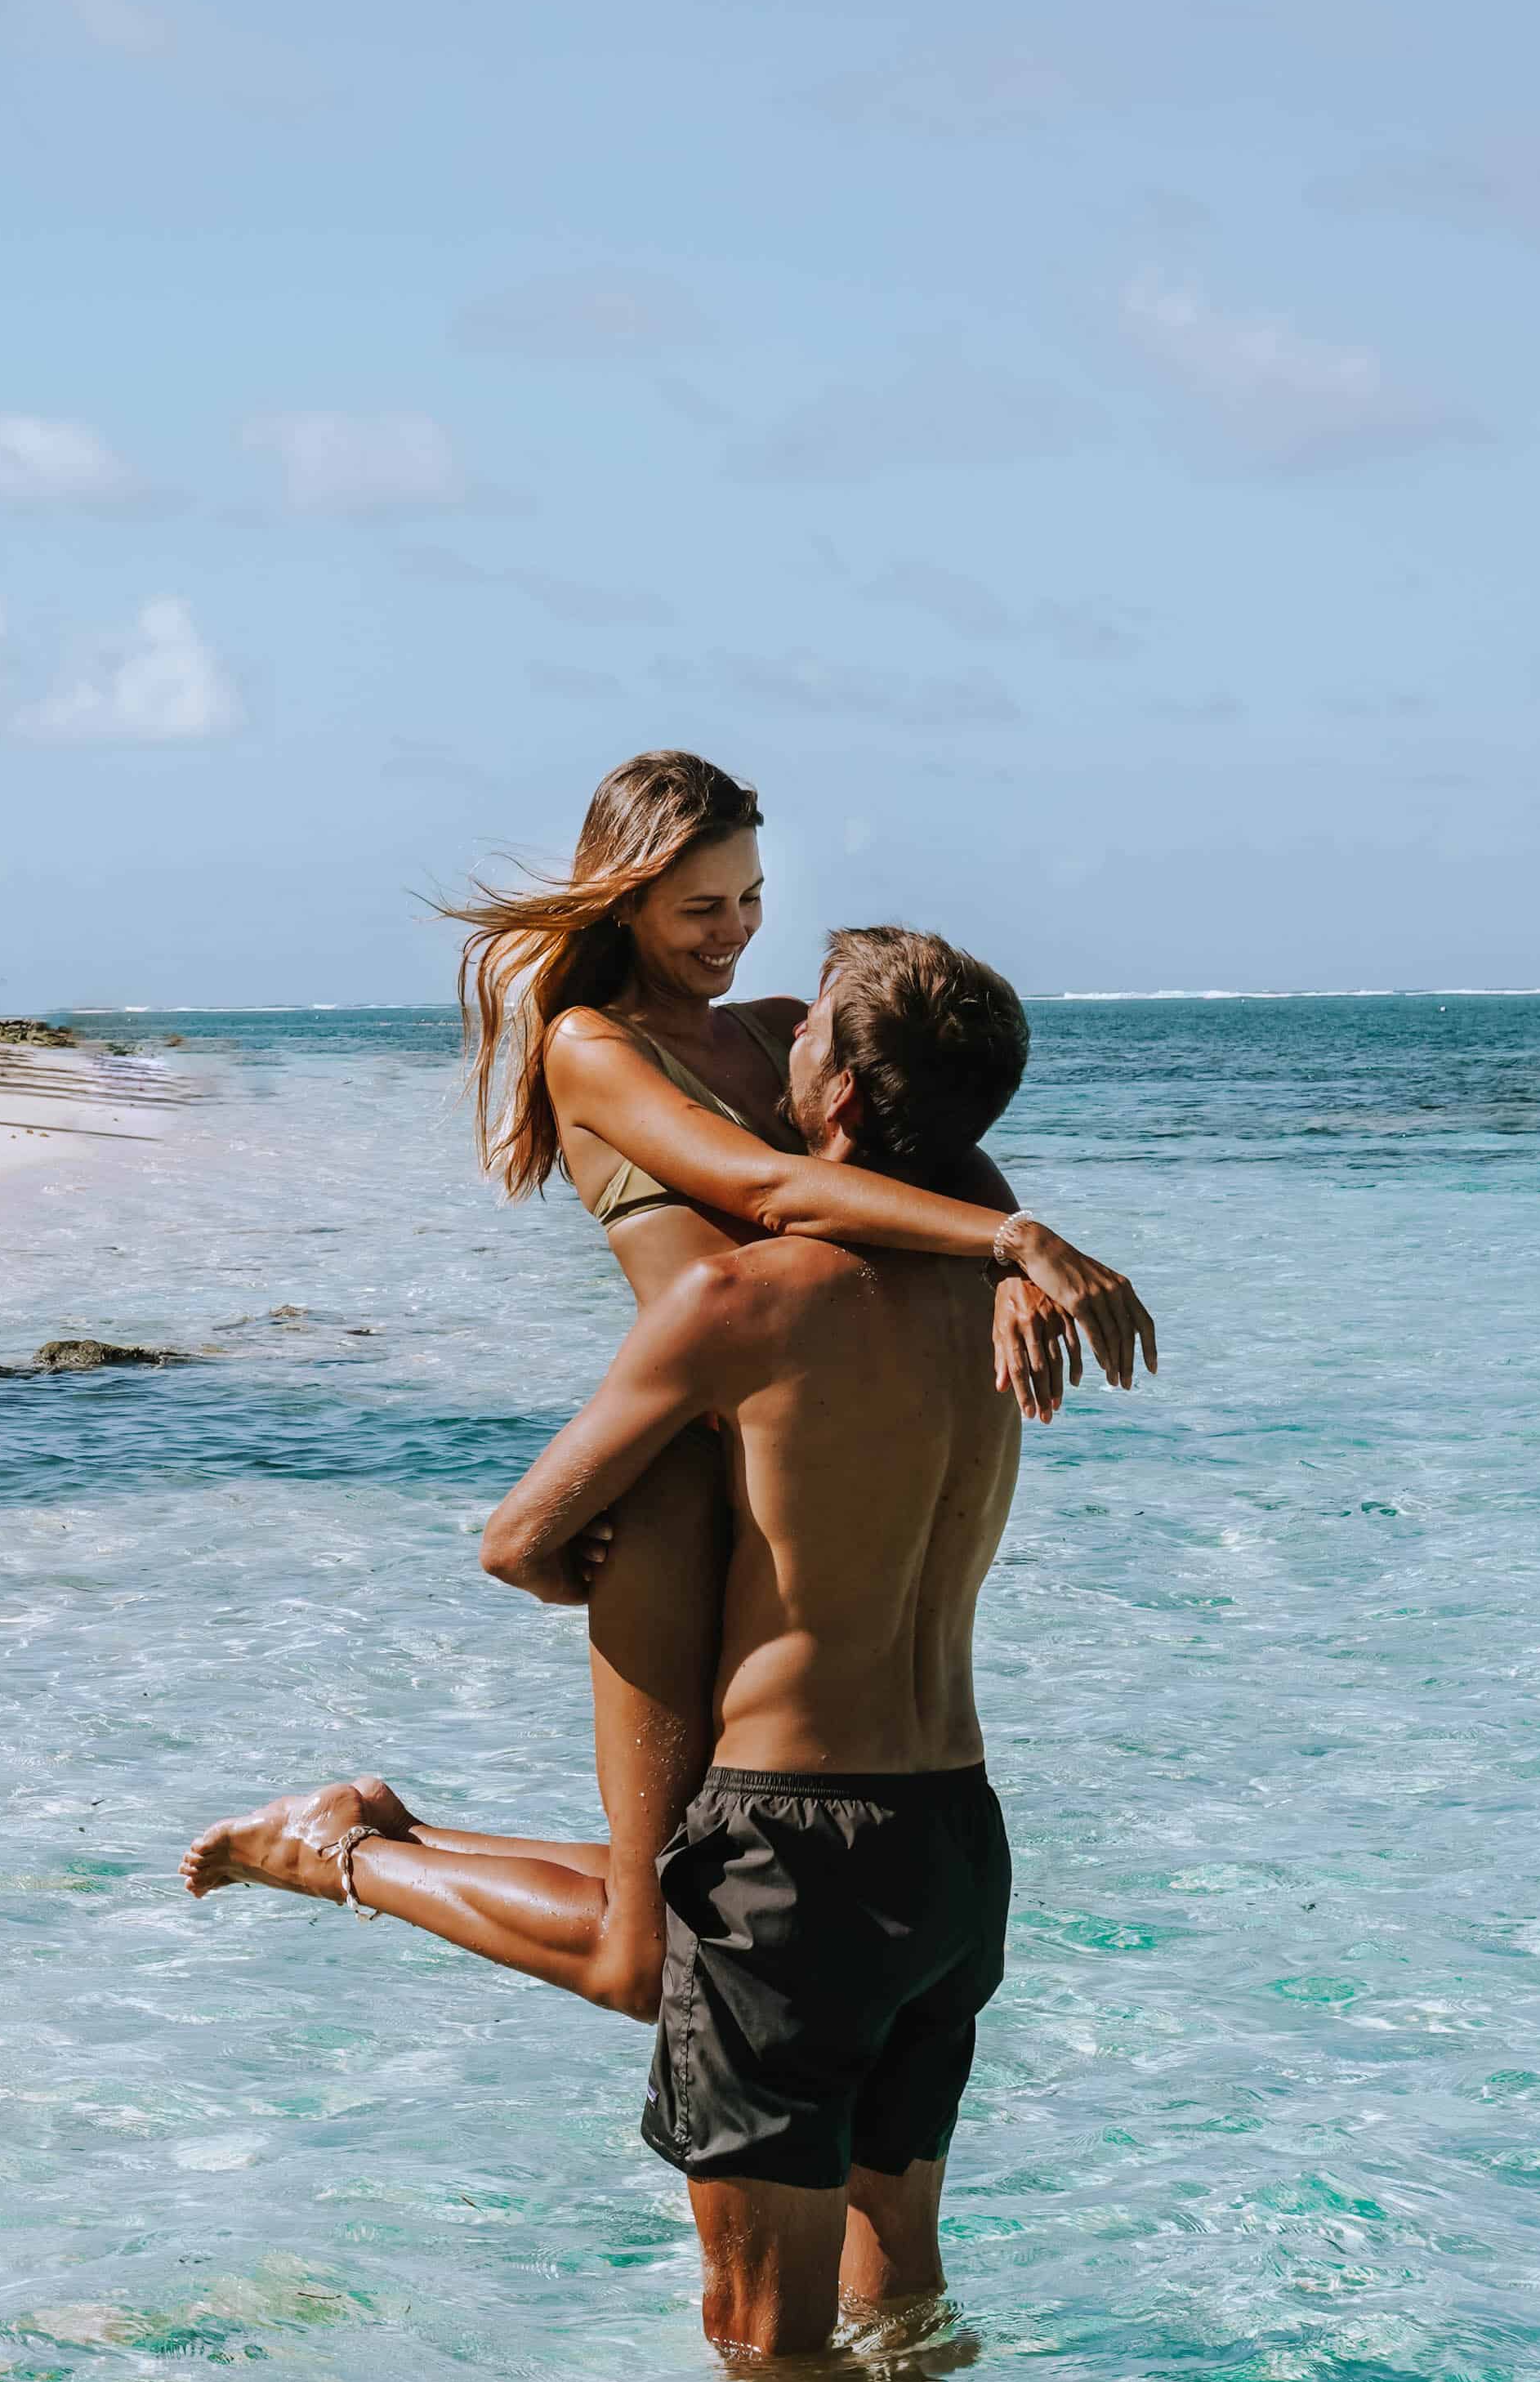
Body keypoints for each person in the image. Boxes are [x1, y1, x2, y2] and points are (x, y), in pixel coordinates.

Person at [184, 752, 1147, 2033]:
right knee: (650, 1964)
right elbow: (770, 1197)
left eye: (750, 898)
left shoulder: (777, 1037)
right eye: (701, 908)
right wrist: (1006, 1248)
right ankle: (337, 1860)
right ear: (624, 901)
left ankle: (368, 1824)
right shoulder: (592, 1047)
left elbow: (934, 1152)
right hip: (670, 1480)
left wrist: (1010, 1249)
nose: (735, 933)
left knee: (723, 1886)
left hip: (783, 1487)